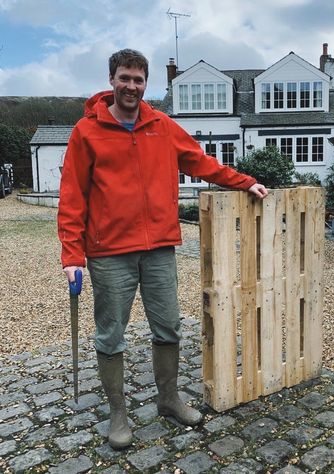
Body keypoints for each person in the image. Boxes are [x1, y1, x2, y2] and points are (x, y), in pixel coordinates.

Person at [58, 48, 268, 450]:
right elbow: (72, 198)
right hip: (109, 252)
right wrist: (72, 255)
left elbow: (200, 162)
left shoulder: (161, 125)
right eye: (124, 78)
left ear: (145, 84)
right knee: (110, 334)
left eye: (138, 80)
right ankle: (118, 412)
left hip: (159, 249)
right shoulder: (87, 131)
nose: (131, 86)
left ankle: (168, 398)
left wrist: (243, 181)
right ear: (112, 80)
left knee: (168, 326)